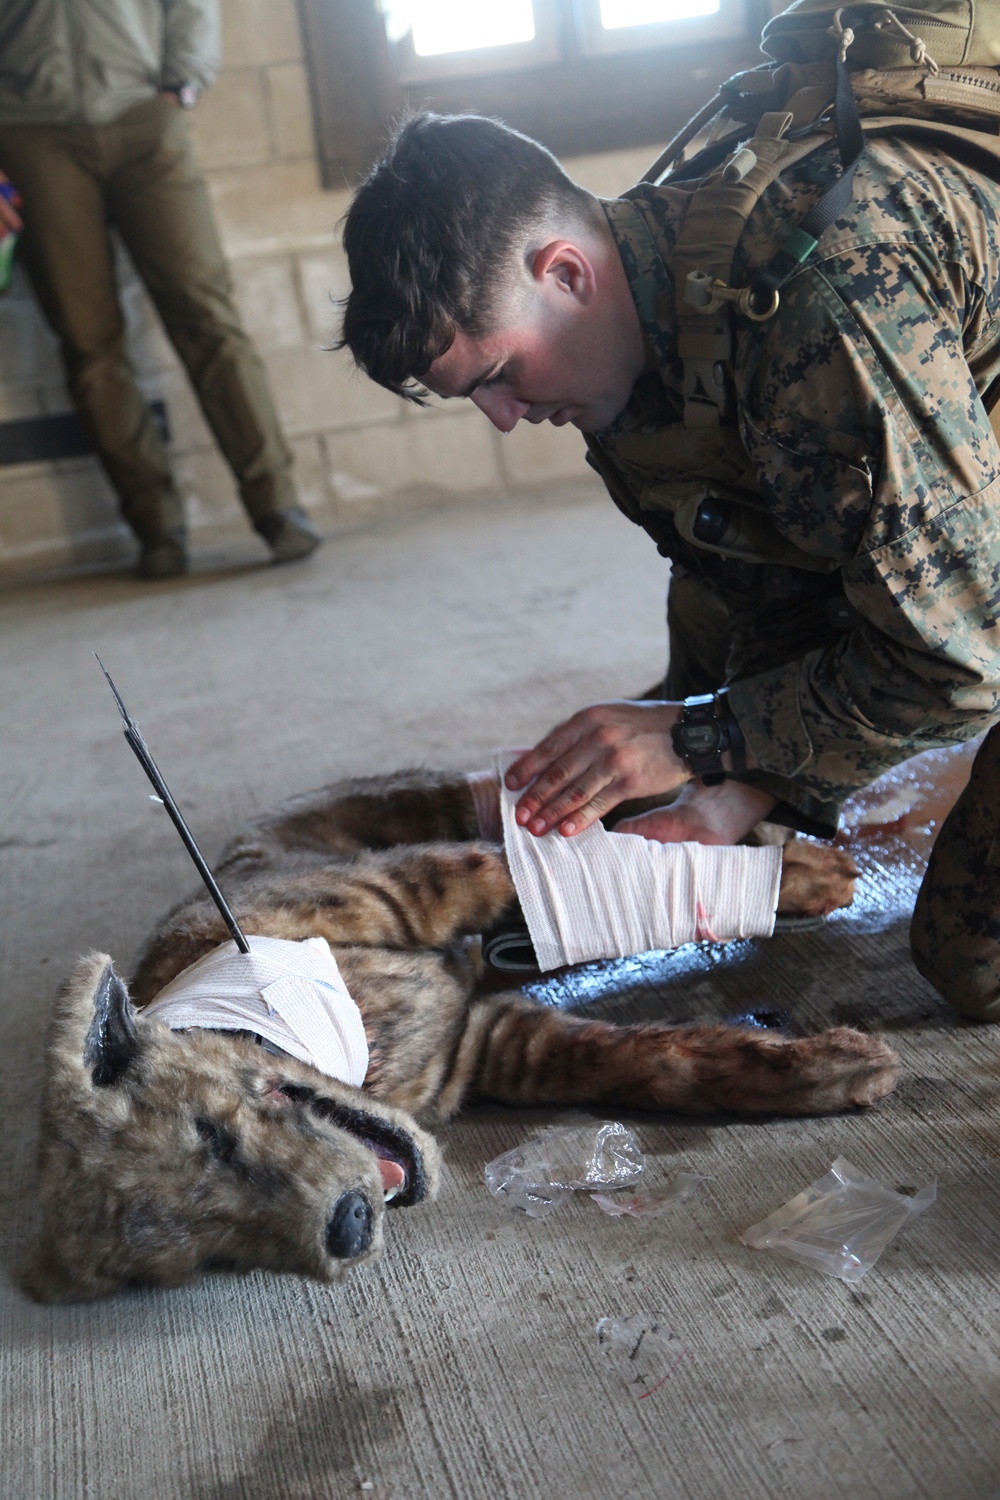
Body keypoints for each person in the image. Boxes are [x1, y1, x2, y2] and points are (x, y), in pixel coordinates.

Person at [336, 109, 1000, 1020]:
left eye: (498, 372)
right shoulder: (625, 379)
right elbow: (778, 587)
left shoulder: (822, 309)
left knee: (976, 960)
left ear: (564, 272)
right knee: (707, 621)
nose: (502, 416)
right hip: (939, 443)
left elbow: (961, 663)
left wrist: (701, 736)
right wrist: (726, 795)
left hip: (945, 454)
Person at [0, 0, 321, 578]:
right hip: (30, 136)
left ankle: (278, 506)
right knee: (88, 342)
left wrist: (184, 82)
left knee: (206, 314)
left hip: (144, 116)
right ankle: (156, 527)